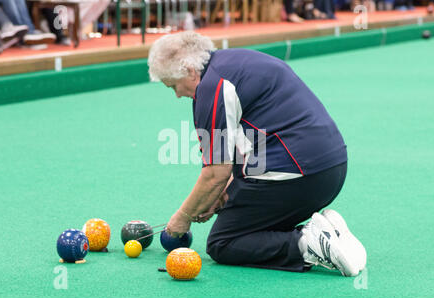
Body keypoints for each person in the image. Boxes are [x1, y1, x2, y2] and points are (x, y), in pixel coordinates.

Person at [148, 32, 367, 277]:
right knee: (236, 212)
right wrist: (223, 194)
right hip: (331, 169)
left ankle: (308, 243)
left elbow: (214, 173)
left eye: (173, 86)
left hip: (298, 176)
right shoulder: (236, 62)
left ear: (189, 70)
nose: (177, 95)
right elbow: (249, 142)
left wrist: (181, 220)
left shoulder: (212, 88)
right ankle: (331, 232)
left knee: (223, 242)